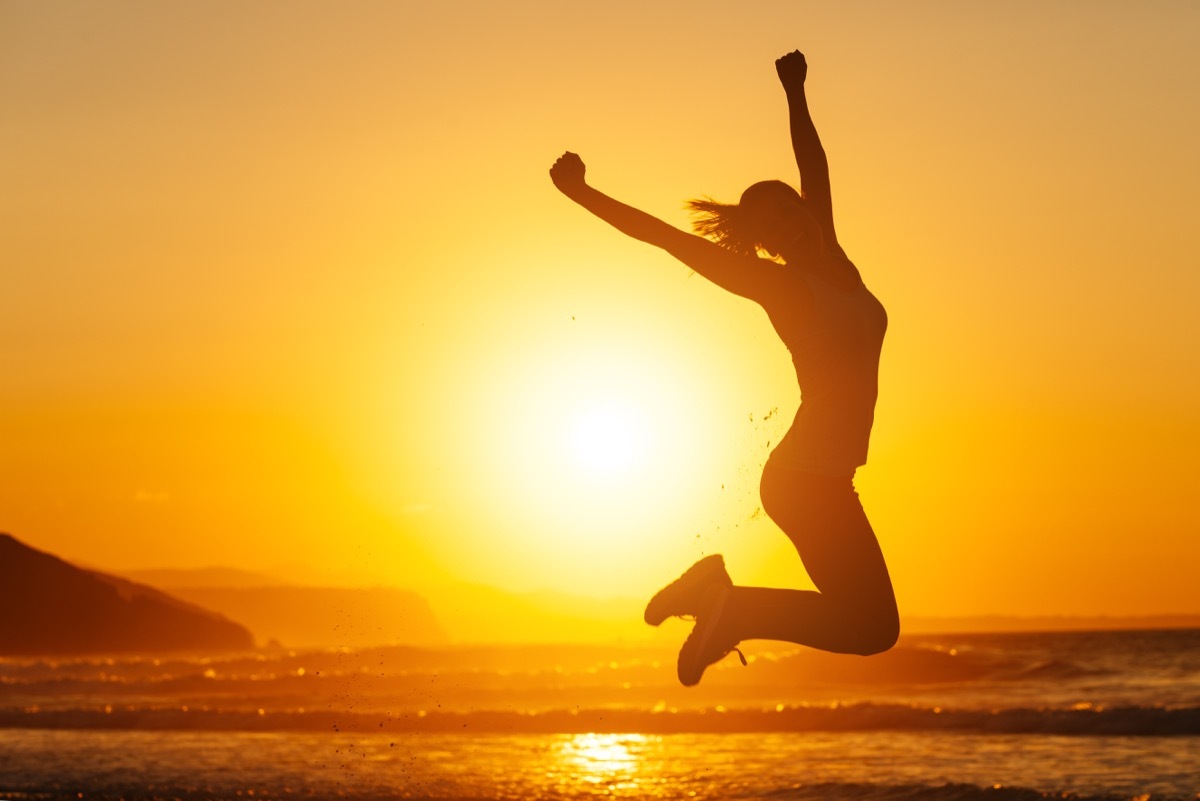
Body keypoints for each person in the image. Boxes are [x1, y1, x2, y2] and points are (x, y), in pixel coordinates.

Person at [549, 50, 898, 687]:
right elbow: (664, 236)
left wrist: (794, 90)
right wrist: (581, 193)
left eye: (793, 210)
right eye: (776, 227)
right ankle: (727, 605)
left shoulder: (835, 256)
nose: (794, 225)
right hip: (803, 482)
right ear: (766, 246)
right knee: (873, 629)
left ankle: (720, 595)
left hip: (824, 479)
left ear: (805, 211)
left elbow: (812, 165)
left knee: (872, 627)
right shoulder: (784, 287)